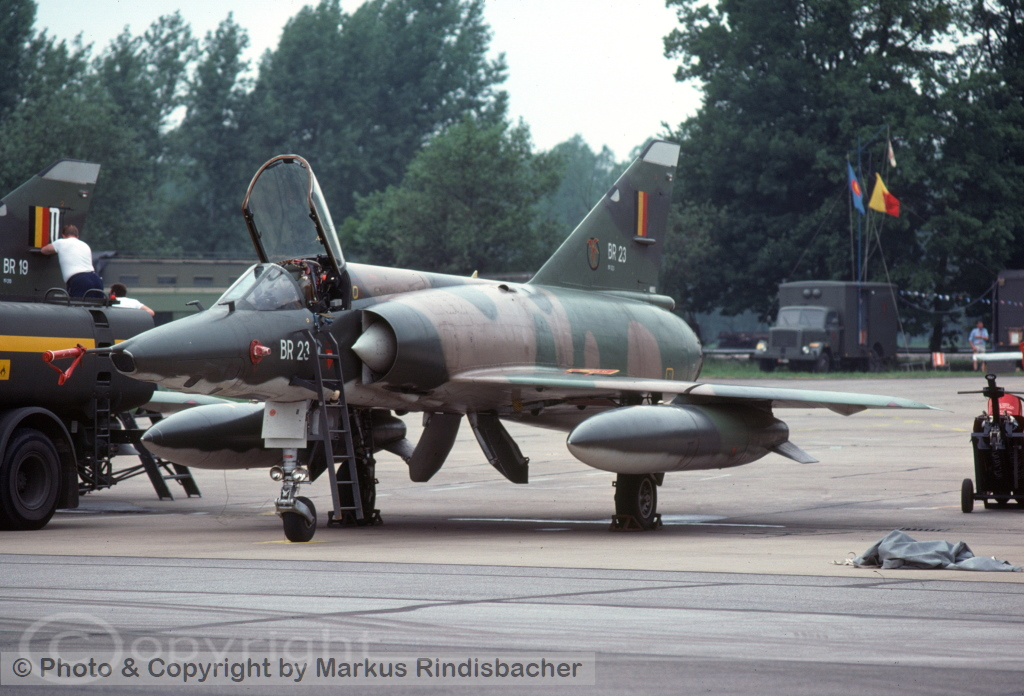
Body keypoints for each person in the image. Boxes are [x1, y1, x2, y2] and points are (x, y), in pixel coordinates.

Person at [40, 224, 104, 298]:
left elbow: (43, 250)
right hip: (96, 279)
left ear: (63, 236)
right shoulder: (85, 245)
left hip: (80, 280)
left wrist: (57, 251)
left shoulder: (60, 242)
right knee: (97, 304)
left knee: (76, 304)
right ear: (77, 237)